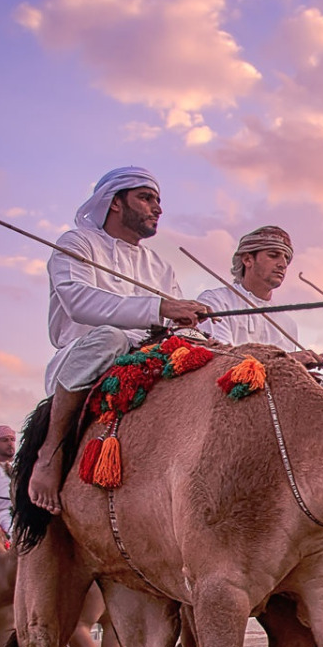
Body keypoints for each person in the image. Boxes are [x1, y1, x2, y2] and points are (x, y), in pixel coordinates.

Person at [26, 166, 207, 514]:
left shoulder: (159, 265)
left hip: (147, 357)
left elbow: (173, 320)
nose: (157, 208)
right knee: (110, 337)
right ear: (115, 203)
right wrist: (161, 307)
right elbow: (78, 302)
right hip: (86, 357)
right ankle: (49, 454)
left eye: (158, 200)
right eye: (146, 198)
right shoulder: (77, 242)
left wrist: (193, 330)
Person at [194, 226, 321, 364]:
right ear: (248, 259)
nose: (283, 264)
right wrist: (284, 360)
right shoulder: (216, 302)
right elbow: (220, 360)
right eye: (273, 255)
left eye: (286, 259)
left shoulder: (287, 324)